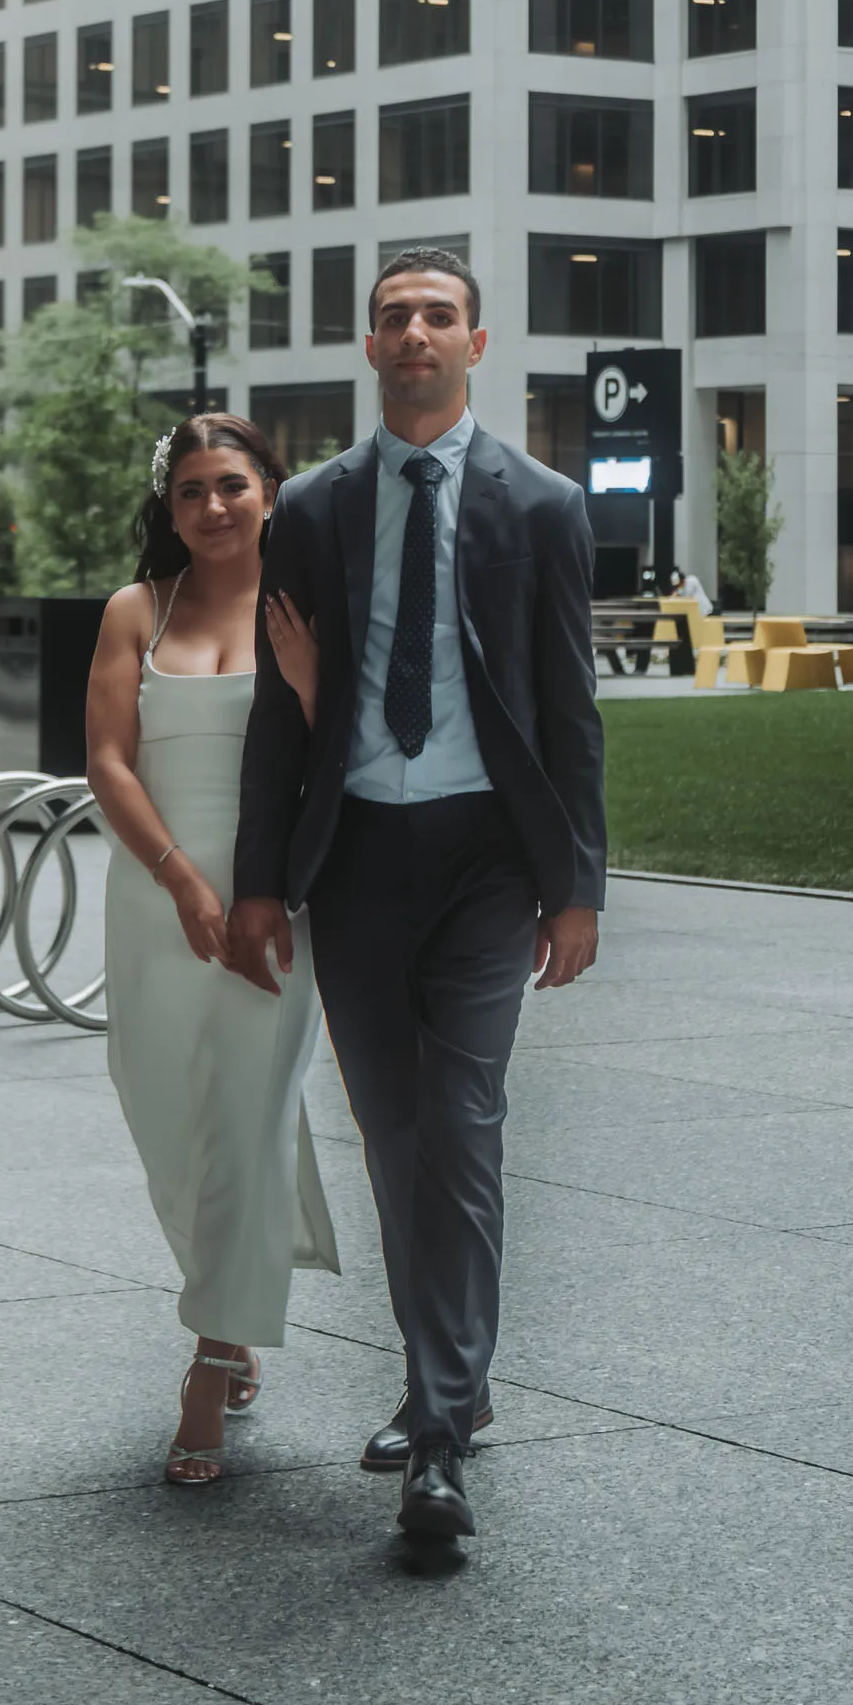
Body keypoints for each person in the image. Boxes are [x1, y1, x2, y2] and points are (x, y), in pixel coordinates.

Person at [229, 248, 606, 1543]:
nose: (414, 334)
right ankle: (452, 1377)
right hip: (360, 862)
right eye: (394, 318)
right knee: (397, 1140)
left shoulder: (545, 505)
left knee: (461, 1121)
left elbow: (570, 712)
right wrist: (262, 883)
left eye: (437, 316)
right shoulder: (316, 511)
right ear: (371, 346)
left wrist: (575, 888)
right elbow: (281, 718)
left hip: (489, 862)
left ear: (476, 345)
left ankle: (438, 1438)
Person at [86, 413, 338, 1488]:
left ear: (271, 490)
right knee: (169, 1125)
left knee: (246, 1109)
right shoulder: (137, 610)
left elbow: (354, 758)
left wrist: (312, 677)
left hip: (274, 906)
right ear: (170, 506)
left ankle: (210, 1352)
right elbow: (107, 761)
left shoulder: (309, 606)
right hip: (156, 903)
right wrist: (184, 882)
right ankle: (228, 1301)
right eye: (190, 491)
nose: (213, 507)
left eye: (231, 484)